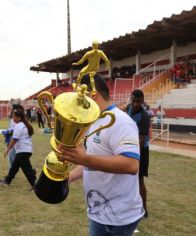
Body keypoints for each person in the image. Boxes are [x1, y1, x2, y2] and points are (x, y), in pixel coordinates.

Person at [58, 74, 144, 236]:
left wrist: (85, 158)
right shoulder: (94, 121)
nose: (77, 103)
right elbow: (91, 161)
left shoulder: (121, 122)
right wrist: (68, 177)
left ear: (93, 95)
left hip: (119, 217)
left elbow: (131, 164)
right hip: (99, 213)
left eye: (79, 98)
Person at [127, 89, 151, 218]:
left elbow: (141, 142)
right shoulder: (128, 108)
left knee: (139, 179)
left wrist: (131, 155)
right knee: (127, 179)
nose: (135, 104)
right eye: (133, 101)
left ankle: (144, 209)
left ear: (142, 101)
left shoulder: (145, 116)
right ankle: (130, 207)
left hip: (140, 150)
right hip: (129, 147)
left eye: (138, 102)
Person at [0, 108, 36, 189]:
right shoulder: (26, 125)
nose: (13, 118)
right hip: (27, 150)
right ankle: (7, 181)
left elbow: (14, 139)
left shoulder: (19, 126)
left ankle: (35, 186)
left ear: (19, 118)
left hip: (22, 151)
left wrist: (7, 149)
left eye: (14, 116)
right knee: (15, 167)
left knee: (26, 169)